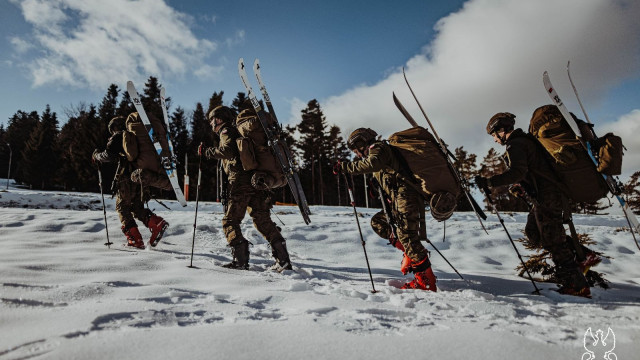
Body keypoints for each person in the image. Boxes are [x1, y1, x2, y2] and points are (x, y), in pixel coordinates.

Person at [474, 112, 595, 298]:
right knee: (533, 232)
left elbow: (517, 171)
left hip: (548, 196)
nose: (494, 139)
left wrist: (489, 182)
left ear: (501, 130)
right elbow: (531, 171)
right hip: (543, 195)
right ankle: (582, 255)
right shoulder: (523, 142)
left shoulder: (517, 144)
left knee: (552, 239)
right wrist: (523, 186)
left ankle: (577, 285)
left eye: (493, 135)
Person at [337, 128, 437, 291]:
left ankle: (425, 281)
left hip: (406, 196)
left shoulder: (377, 148)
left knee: (408, 236)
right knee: (379, 222)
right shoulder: (378, 152)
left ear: (361, 143)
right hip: (398, 198)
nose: (357, 155)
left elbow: (373, 163)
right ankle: (409, 252)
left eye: (356, 150)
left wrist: (346, 167)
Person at [201, 106, 292, 271]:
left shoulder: (226, 131)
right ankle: (283, 259)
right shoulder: (240, 132)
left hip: (240, 183)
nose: (211, 123)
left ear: (219, 119)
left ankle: (240, 260)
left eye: (212, 120)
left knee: (230, 221)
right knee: (262, 220)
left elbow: (228, 151)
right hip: (256, 181)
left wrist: (208, 152)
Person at [92, 116, 169, 249]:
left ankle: (135, 240)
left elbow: (109, 155)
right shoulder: (138, 137)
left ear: (114, 128)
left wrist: (97, 156)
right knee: (136, 207)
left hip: (126, 178)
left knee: (122, 207)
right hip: (141, 176)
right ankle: (156, 223)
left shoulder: (119, 136)